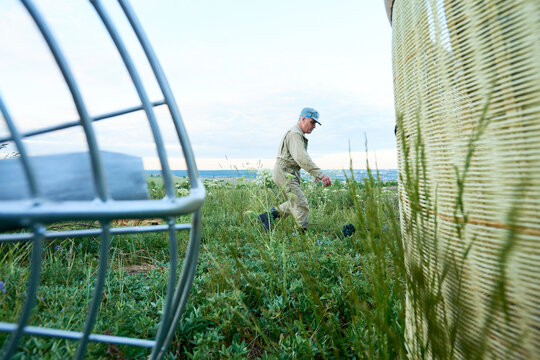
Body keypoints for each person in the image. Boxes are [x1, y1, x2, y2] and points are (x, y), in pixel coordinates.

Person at [258, 107, 331, 232]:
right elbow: (301, 157)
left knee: (294, 201)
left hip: (288, 172)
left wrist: (314, 173)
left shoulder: (297, 133)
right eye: (312, 122)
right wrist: (320, 174)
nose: (314, 126)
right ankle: (300, 238)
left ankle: (267, 216)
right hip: (285, 172)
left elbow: (299, 158)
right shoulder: (295, 134)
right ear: (303, 119)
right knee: (301, 205)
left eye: (315, 123)